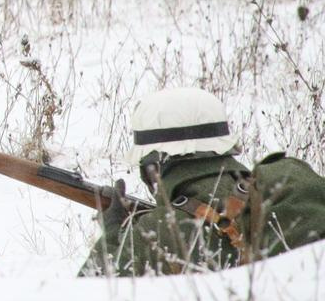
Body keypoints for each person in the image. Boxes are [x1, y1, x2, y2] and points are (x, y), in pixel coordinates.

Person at [84, 86, 325, 276]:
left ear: (151, 166)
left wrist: (113, 234)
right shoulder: (282, 188)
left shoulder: (157, 232)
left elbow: (88, 300)